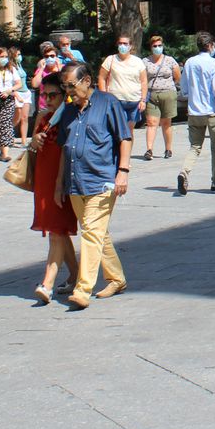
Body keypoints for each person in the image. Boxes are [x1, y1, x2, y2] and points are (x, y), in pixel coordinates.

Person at [38, 62, 129, 309]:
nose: (68, 91)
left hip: (102, 179)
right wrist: (59, 184)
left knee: (90, 232)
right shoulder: (68, 111)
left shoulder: (108, 103)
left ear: (87, 81)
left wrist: (123, 172)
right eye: (65, 86)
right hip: (75, 182)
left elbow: (124, 138)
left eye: (71, 85)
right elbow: (64, 149)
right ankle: (117, 278)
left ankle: (83, 288)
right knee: (98, 233)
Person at [27, 77, 78, 304]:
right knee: (58, 230)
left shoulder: (69, 116)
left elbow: (67, 151)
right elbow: (33, 146)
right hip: (43, 180)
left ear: (63, 94)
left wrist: (60, 184)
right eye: (43, 95)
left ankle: (47, 283)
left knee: (57, 232)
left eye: (52, 95)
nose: (47, 100)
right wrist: (34, 140)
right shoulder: (44, 117)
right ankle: (76, 275)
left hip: (61, 180)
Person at [177, 31, 215, 195]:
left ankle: (184, 171)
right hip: (211, 111)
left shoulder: (189, 63)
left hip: (194, 112)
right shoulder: (214, 64)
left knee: (195, 147)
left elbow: (183, 88)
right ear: (211, 46)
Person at [97, 34, 147, 134]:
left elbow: (144, 81)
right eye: (120, 43)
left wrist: (143, 100)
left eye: (125, 43)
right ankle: (118, 150)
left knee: (129, 131)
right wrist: (104, 96)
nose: (122, 45)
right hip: (116, 101)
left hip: (134, 101)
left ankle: (127, 150)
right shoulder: (110, 60)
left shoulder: (138, 62)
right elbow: (102, 78)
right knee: (118, 130)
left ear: (131, 46)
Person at [141, 35, 180, 161]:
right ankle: (149, 149)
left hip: (168, 93)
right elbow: (142, 78)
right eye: (155, 46)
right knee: (151, 123)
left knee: (166, 122)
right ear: (151, 47)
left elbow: (177, 76)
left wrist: (169, 86)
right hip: (151, 95)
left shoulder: (169, 60)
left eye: (159, 46)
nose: (157, 48)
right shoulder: (145, 61)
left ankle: (168, 149)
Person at [8, 46, 33, 146]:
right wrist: (15, 94)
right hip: (17, 93)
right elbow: (10, 83)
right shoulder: (10, 67)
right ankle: (8, 136)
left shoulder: (19, 65)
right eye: (17, 55)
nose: (19, 56)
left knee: (25, 117)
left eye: (20, 54)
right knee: (17, 117)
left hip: (26, 92)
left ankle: (24, 140)